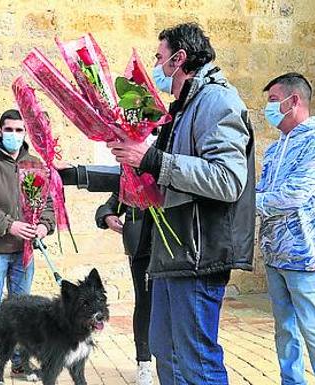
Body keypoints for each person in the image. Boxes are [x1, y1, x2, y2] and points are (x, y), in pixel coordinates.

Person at [108, 22, 255, 385]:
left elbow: (228, 180)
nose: (154, 66)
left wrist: (153, 160)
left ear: (180, 59)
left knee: (196, 361)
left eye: (159, 58)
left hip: (198, 254)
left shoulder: (217, 100)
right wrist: (75, 173)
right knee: (165, 352)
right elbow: (156, 171)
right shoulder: (183, 107)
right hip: (171, 254)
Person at [257, 73, 315, 385]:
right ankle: (291, 381)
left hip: (306, 256)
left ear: (293, 101)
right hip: (275, 254)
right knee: (285, 328)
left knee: (314, 328)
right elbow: (264, 191)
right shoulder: (277, 147)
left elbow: (292, 197)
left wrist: (242, 204)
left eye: (272, 100)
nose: (268, 108)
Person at [0, 109, 55, 385]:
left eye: (19, 130)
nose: (14, 135)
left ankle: (18, 362)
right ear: (0, 131)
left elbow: (49, 206)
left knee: (22, 312)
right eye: (9, 130)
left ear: (25, 133)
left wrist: (43, 227)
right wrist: (9, 225)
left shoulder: (35, 165)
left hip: (24, 253)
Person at [95, 194, 153, 385]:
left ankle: (174, 360)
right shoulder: (131, 172)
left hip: (174, 247)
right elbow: (111, 204)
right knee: (144, 303)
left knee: (172, 304)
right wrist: (107, 216)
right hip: (142, 248)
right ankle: (144, 362)